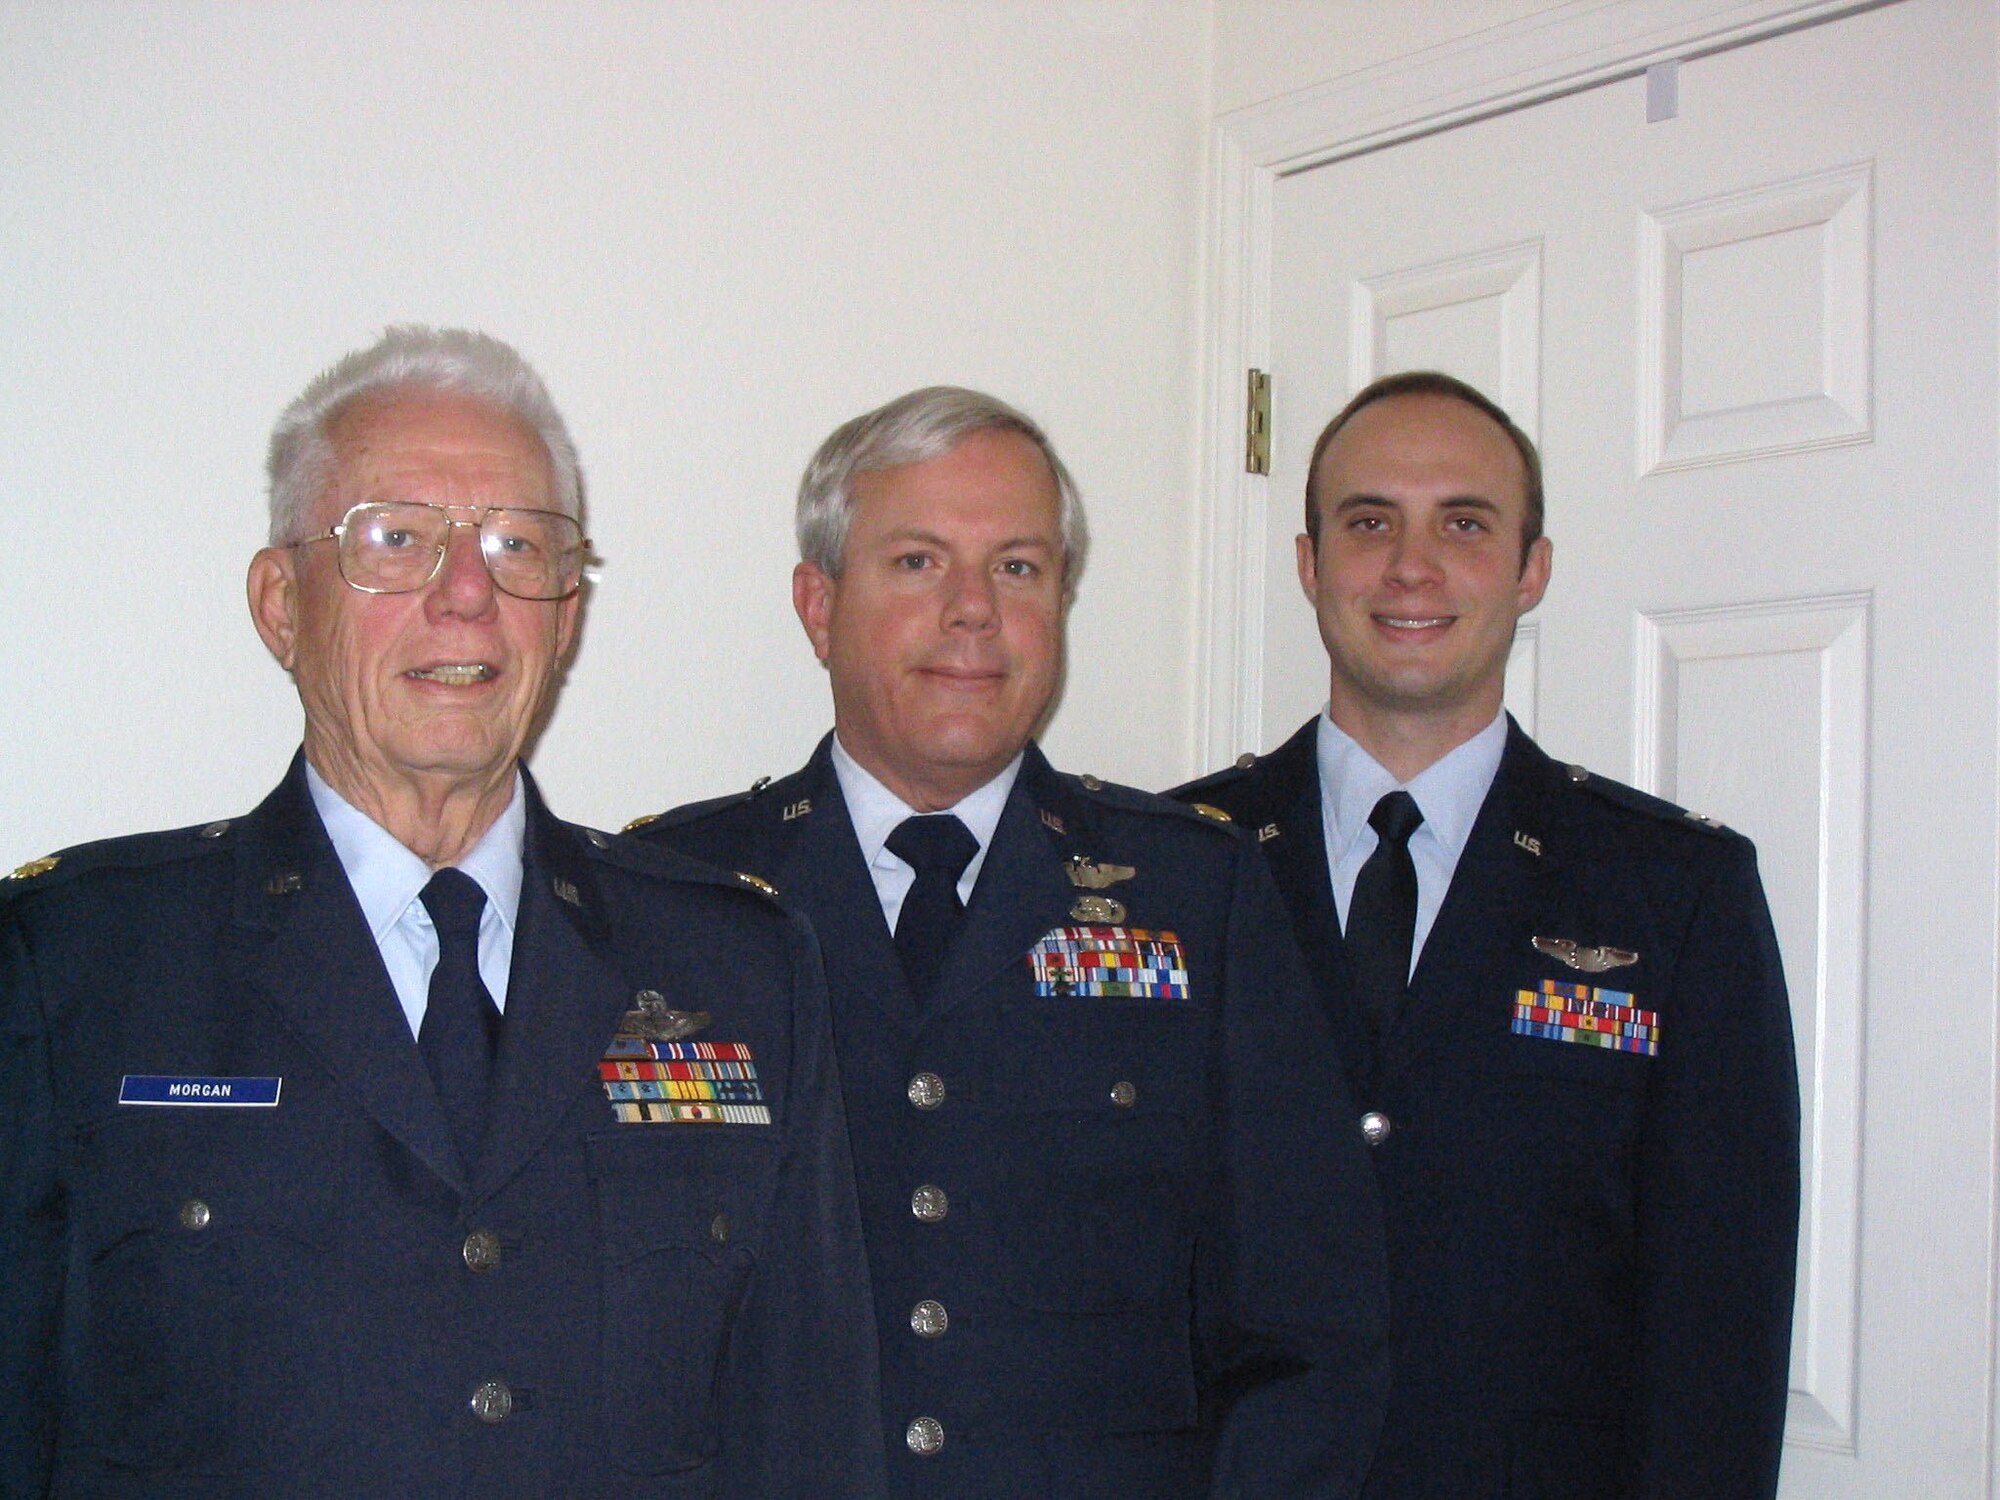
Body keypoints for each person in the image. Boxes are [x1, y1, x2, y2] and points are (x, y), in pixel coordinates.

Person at [0, 326, 884, 1498]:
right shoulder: (78, 967)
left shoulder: (737, 964)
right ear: (280, 604)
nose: (467, 593)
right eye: (396, 540)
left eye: (520, 546)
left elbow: (810, 1439)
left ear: (563, 615)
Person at [627, 386, 1388, 1499]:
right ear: (817, 603)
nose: (973, 610)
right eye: (918, 563)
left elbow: (1308, 1326)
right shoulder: (681, 897)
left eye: (1018, 568)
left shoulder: (1199, 893)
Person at [1173, 370, 1800, 1498]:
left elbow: (1718, 1323)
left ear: (1531, 569)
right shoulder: (1176, 866)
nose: (1410, 568)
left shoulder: (1671, 893)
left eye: (1462, 523)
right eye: (1368, 523)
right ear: (1310, 564)